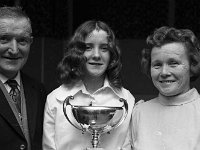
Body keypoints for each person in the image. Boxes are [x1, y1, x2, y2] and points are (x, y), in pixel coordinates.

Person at [43, 20, 135, 150]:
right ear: (77, 53)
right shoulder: (55, 99)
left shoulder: (126, 99)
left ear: (112, 55)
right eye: (88, 48)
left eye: (104, 48)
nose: (96, 55)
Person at [130, 26, 200, 150]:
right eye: (157, 65)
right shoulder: (139, 113)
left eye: (173, 63)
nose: (164, 72)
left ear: (192, 65)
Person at [0, 6, 47, 150]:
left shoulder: (39, 90)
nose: (14, 50)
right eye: (4, 39)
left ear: (30, 43)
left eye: (22, 41)